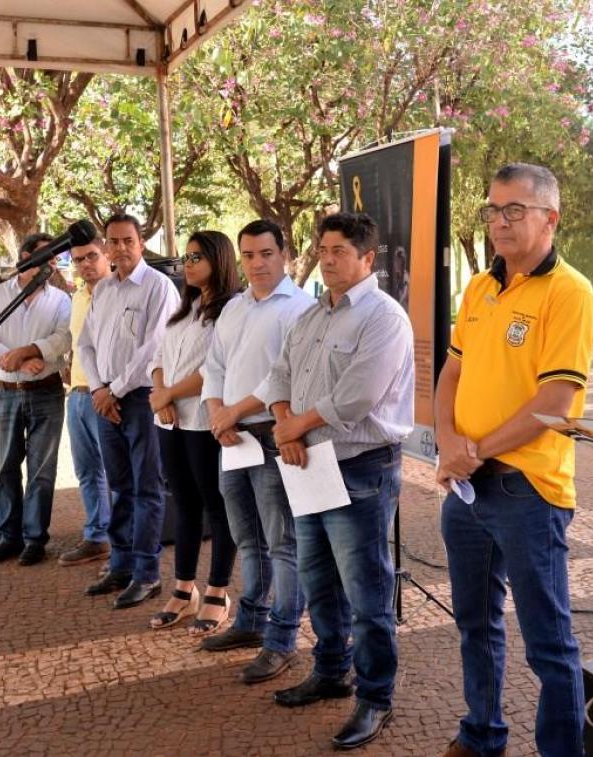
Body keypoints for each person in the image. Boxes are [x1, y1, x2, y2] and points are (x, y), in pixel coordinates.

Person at [434, 164, 593, 757]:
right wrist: (447, 441)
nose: (500, 222)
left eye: (515, 210)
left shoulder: (569, 293)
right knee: (474, 624)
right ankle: (482, 734)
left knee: (548, 643)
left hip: (528, 491)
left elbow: (555, 403)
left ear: (550, 218)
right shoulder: (481, 287)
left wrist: (473, 452)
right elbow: (451, 372)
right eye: (493, 210)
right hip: (468, 493)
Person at [258, 212, 414, 750]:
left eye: (339, 251)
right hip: (308, 463)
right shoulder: (311, 314)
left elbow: (356, 397)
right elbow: (279, 374)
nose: (327, 259)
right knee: (318, 578)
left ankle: (375, 698)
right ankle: (330, 671)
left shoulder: (384, 318)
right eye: (323, 250)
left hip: (361, 467)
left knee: (366, 592)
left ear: (368, 258)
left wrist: (292, 428)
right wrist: (286, 424)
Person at [198, 219, 313, 684]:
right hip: (232, 439)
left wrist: (233, 412)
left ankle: (282, 639)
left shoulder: (300, 308)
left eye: (266, 253)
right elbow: (214, 365)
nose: (257, 263)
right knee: (247, 538)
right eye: (248, 255)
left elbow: (281, 378)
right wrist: (217, 414)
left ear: (284, 254)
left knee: (282, 543)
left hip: (270, 436)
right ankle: (250, 621)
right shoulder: (235, 307)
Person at [78, 213, 179, 609]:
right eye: (113, 241)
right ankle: (120, 565)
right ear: (106, 245)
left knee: (146, 488)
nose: (120, 248)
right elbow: (85, 344)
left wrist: (114, 390)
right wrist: (99, 388)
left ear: (141, 243)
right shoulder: (103, 290)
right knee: (119, 486)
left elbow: (155, 348)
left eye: (128, 241)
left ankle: (147, 573)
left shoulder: (158, 286)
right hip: (105, 399)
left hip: (139, 399)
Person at [147, 231, 241, 632]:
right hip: (170, 419)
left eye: (196, 257)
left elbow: (214, 369)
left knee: (216, 507)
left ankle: (218, 590)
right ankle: (184, 589)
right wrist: (160, 393)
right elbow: (158, 356)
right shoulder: (183, 309)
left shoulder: (232, 310)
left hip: (204, 421)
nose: (187, 264)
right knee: (184, 504)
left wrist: (169, 393)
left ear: (219, 260)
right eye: (185, 257)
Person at [0, 233, 71, 566]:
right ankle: (9, 536)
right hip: (3, 392)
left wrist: (31, 352)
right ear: (26, 258)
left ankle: (34, 539)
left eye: (55, 257)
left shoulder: (61, 299)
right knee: (4, 468)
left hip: (46, 393)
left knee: (42, 471)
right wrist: (13, 361)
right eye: (46, 256)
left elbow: (63, 337)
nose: (52, 263)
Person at [57, 238, 113, 567]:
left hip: (106, 395)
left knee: (116, 473)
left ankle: (123, 544)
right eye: (79, 259)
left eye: (92, 256)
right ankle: (97, 536)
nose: (86, 264)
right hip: (77, 394)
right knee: (87, 471)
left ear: (106, 255)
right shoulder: (77, 297)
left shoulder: (118, 293)